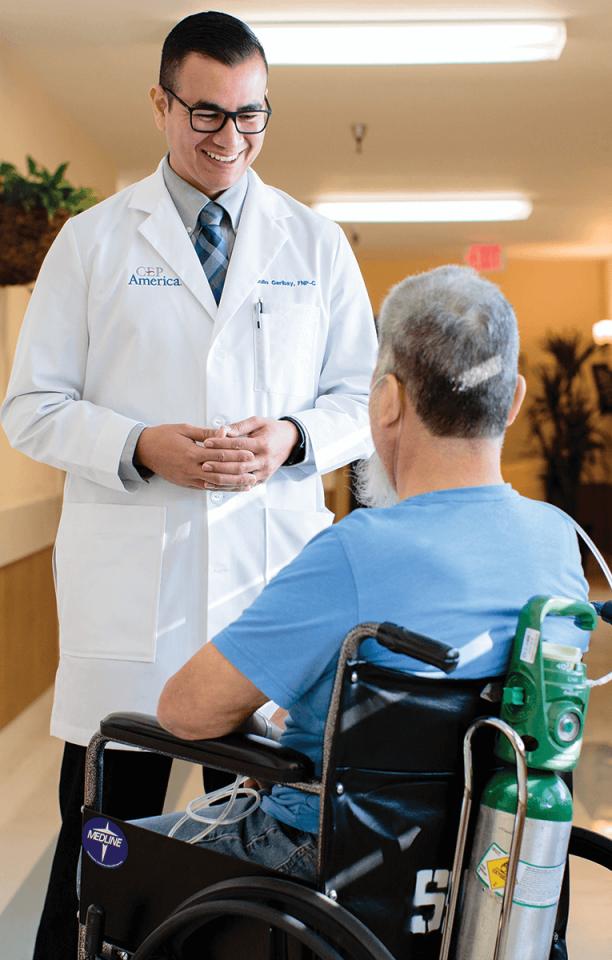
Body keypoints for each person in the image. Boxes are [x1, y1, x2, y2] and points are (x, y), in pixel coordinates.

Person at [1, 12, 376, 959]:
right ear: (162, 104)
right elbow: (30, 406)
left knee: (250, 861)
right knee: (104, 854)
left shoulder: (314, 243)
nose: (231, 142)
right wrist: (138, 445)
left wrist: (293, 437)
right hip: (134, 602)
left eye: (253, 118)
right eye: (208, 116)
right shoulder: (90, 244)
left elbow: (362, 402)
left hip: (264, 596)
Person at [141, 264, 589, 884]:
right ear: (514, 400)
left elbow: (188, 711)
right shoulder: (558, 540)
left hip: (321, 859)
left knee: (111, 851)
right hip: (478, 866)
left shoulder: (356, 550)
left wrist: (277, 733)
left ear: (386, 400)